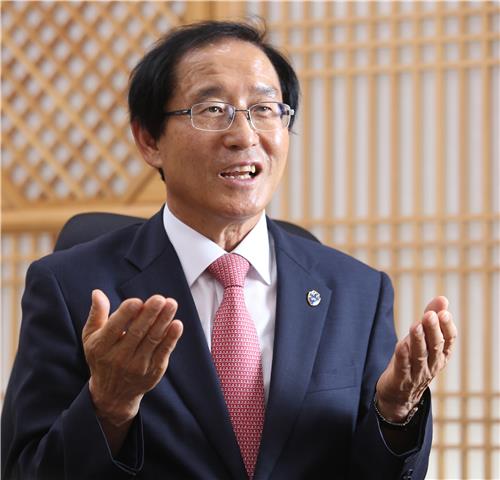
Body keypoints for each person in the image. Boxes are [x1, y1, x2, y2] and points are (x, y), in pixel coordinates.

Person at [1, 21, 457, 480]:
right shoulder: (70, 288)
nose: (244, 135)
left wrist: (395, 412)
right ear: (149, 140)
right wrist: (108, 405)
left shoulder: (358, 291)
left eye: (264, 109)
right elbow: (25, 471)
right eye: (213, 109)